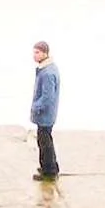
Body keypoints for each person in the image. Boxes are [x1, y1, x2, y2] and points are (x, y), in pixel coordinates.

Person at [30, 40, 60, 181]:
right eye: (34, 52)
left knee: (45, 143)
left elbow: (47, 97)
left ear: (45, 53)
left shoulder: (47, 73)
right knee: (45, 141)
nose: (34, 55)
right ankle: (50, 166)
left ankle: (49, 171)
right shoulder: (47, 69)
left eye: (37, 52)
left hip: (45, 115)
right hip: (47, 114)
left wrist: (36, 107)